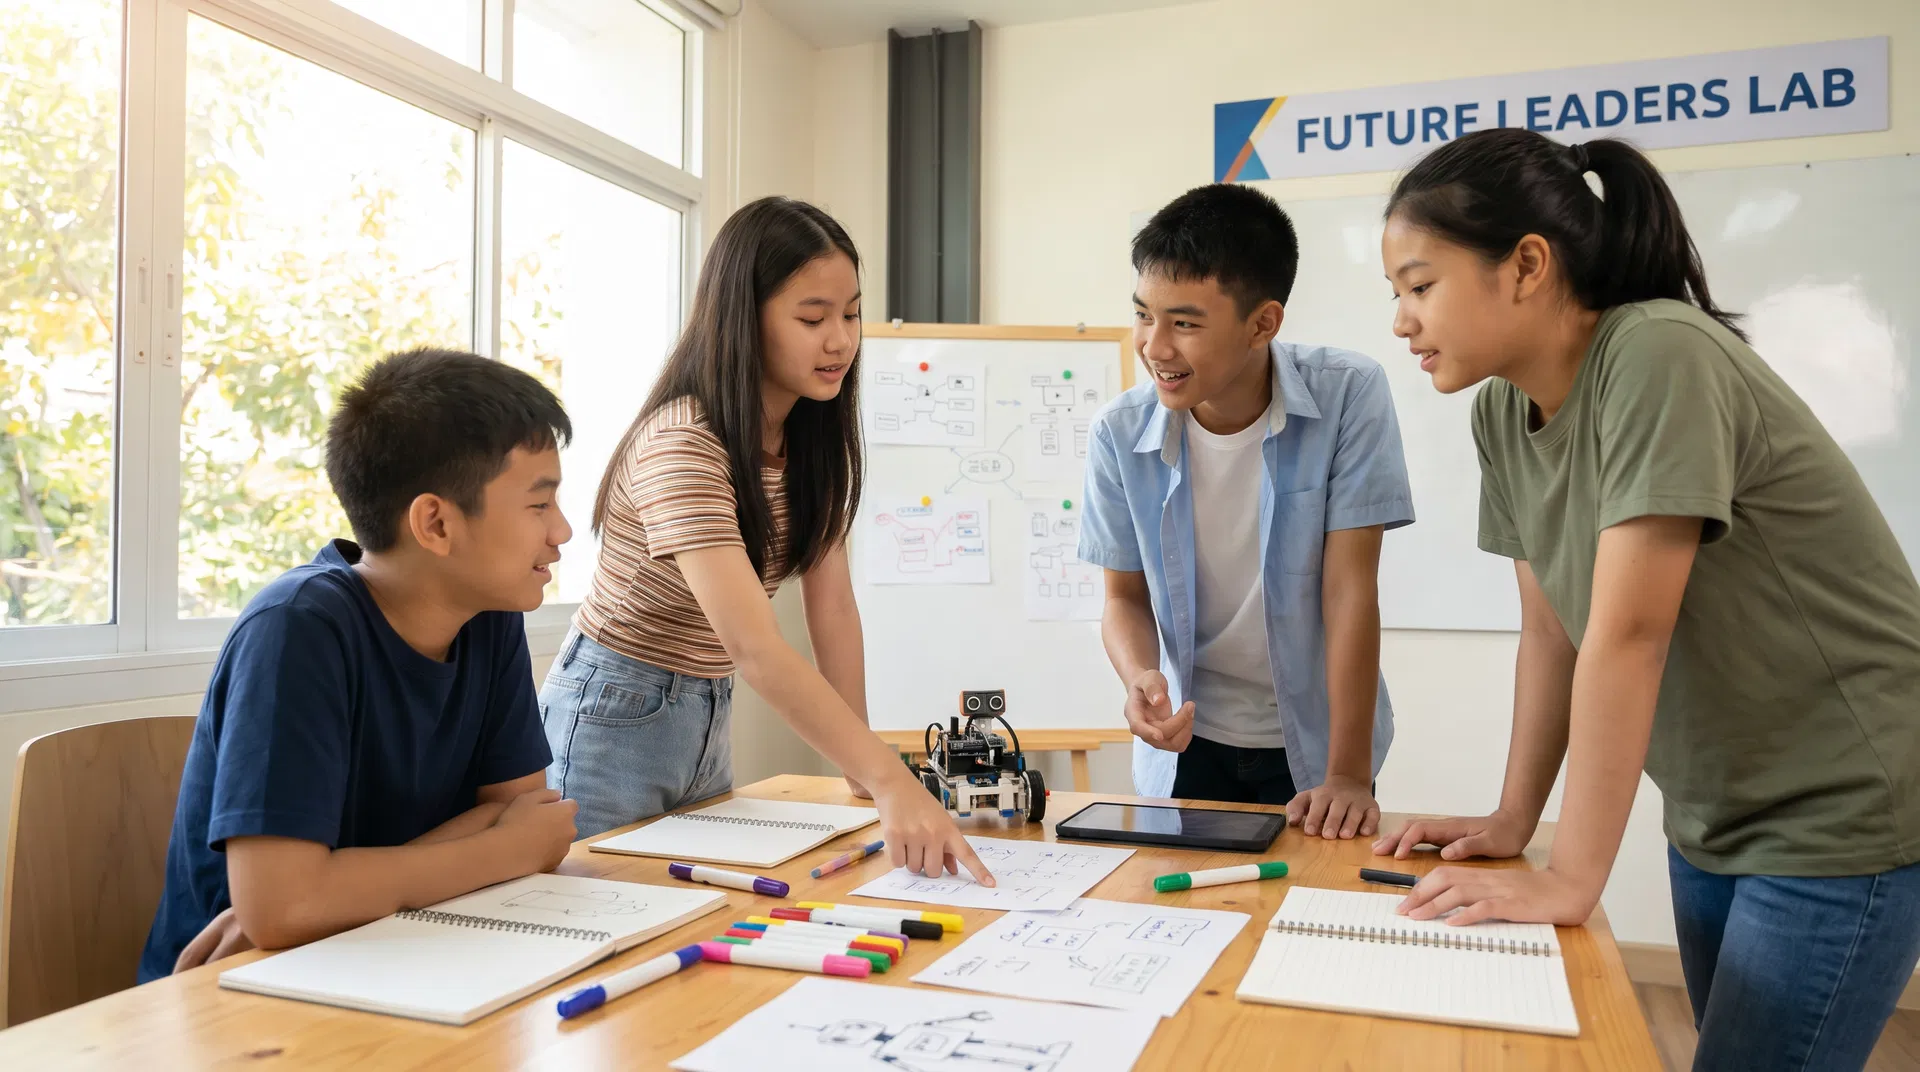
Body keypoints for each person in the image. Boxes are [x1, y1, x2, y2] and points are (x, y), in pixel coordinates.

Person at [1375, 127, 1920, 1071]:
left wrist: (1574, 877)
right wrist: (1514, 823)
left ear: (1528, 265)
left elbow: (1629, 636)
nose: (1401, 320)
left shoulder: (1657, 351)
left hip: (1845, 798)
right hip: (1713, 804)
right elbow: (1552, 632)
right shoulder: (1501, 413)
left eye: (1420, 286)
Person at [540, 196, 991, 885]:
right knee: (606, 928)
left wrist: (863, 768)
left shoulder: (810, 440)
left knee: (693, 921)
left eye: (850, 313)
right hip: (613, 714)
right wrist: (889, 778)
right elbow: (754, 645)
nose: (840, 339)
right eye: (812, 318)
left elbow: (832, 609)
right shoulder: (684, 443)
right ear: (743, 319)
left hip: (704, 707)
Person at [140, 348, 580, 980]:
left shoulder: (489, 612)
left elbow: (529, 821)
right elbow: (281, 914)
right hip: (233, 992)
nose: (561, 531)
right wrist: (500, 849)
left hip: (393, 956)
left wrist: (325, 891)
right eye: (539, 505)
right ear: (434, 522)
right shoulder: (296, 628)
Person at [1078, 183, 1414, 838]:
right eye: (1144, 314)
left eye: (1186, 323)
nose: (1154, 345)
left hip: (1320, 742)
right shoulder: (1118, 432)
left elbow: (1351, 592)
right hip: (1186, 744)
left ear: (1262, 323)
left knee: (1309, 923)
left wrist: (1346, 774)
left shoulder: (1349, 394)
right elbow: (1122, 598)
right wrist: (1140, 673)